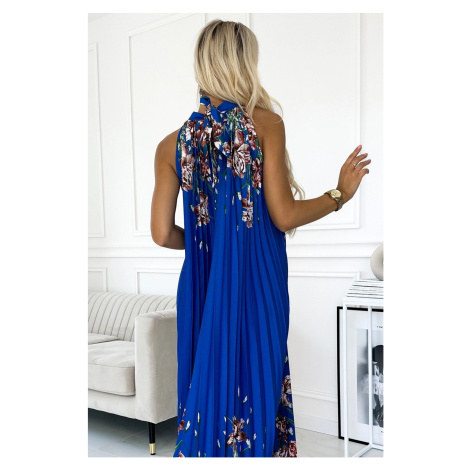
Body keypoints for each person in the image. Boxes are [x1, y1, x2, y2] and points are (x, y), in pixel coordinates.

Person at [150, 19, 370, 458]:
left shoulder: (170, 145)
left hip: (202, 286)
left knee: (205, 390)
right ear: (242, 63)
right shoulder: (265, 125)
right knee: (257, 384)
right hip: (257, 283)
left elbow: (161, 234)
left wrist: (213, 245)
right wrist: (339, 194)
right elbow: (283, 215)